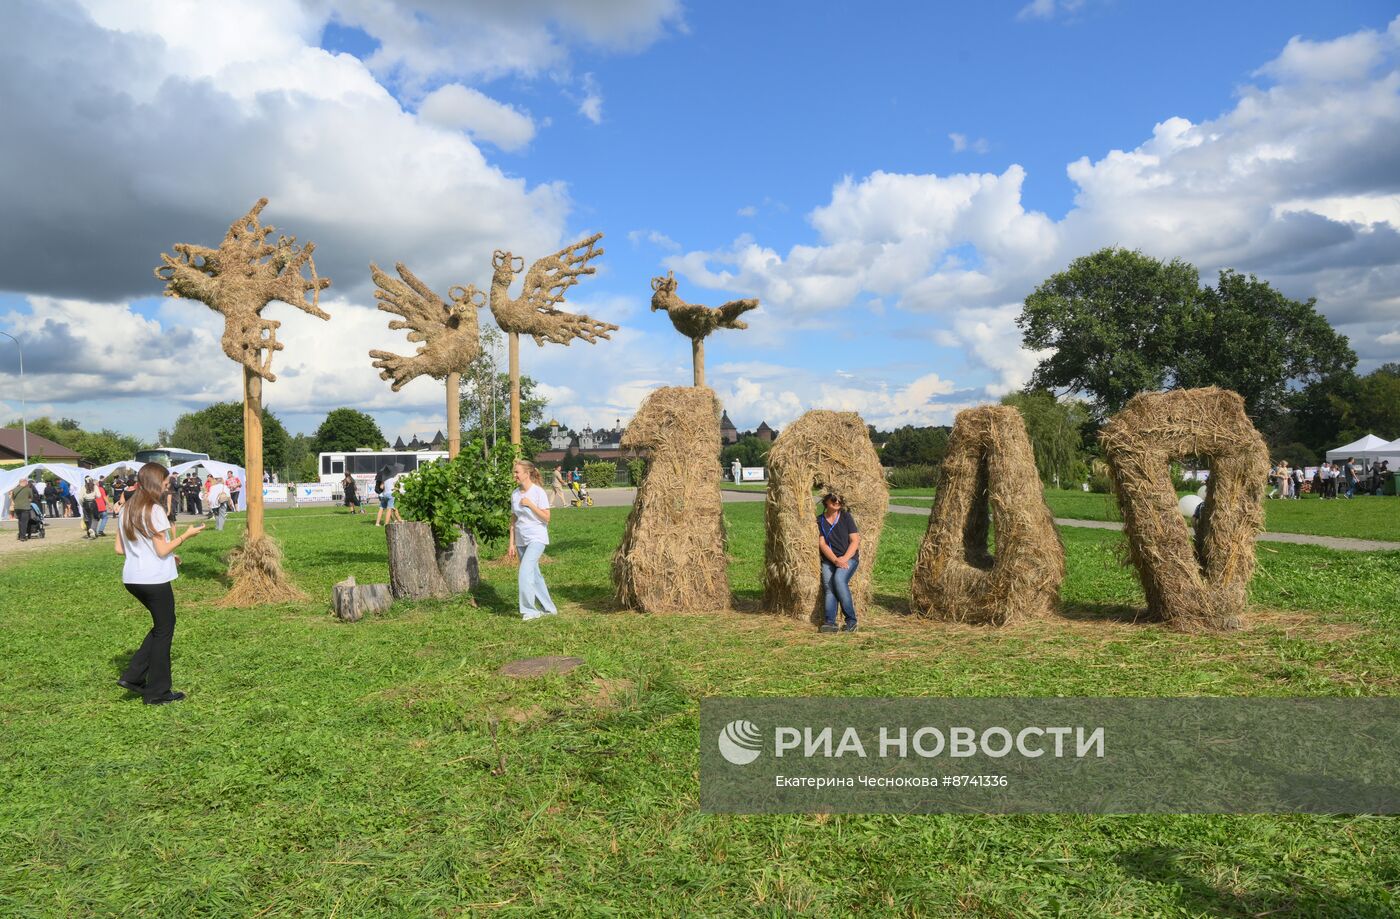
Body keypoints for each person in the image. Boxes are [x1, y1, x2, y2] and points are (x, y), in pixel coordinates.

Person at [113, 462, 204, 706]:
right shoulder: (154, 510)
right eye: (165, 482)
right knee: (164, 630)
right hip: (153, 580)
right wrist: (186, 536)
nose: (168, 486)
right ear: (156, 482)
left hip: (132, 578)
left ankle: (133, 677)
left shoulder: (126, 509)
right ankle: (157, 692)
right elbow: (162, 547)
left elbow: (119, 549)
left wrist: (164, 555)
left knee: (163, 625)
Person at [508, 460, 557, 621]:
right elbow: (513, 520)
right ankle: (549, 609)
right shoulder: (515, 494)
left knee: (524, 572)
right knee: (534, 575)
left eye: (517, 472)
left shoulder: (538, 493)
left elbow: (546, 518)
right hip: (522, 540)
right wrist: (511, 543)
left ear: (527, 474)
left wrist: (530, 505)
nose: (514, 475)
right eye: (514, 472)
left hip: (537, 538)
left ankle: (529, 611)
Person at [816, 492, 861, 633]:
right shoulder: (820, 520)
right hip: (830, 560)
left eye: (840, 500)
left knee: (839, 580)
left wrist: (844, 559)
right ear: (826, 502)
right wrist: (835, 560)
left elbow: (855, 541)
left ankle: (851, 621)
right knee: (829, 586)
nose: (837, 502)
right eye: (833, 499)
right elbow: (822, 544)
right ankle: (830, 623)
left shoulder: (846, 517)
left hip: (849, 558)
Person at [8, 477, 33, 541]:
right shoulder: (28, 489)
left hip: (17, 508)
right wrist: (27, 501)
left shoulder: (14, 489)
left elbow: (11, 497)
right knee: (24, 522)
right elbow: (31, 498)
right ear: (25, 482)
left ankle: (20, 535)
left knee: (20, 521)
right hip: (25, 508)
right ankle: (23, 537)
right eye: (26, 482)